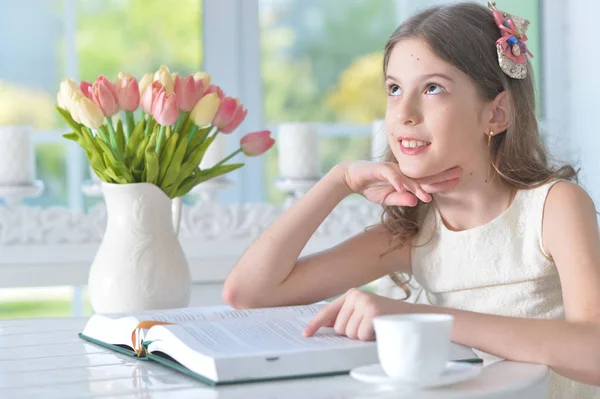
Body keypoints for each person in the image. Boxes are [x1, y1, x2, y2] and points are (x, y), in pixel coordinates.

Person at [223, 2, 600, 397]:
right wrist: (338, 181)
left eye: (433, 88)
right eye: (394, 88)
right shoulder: (413, 233)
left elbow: (593, 352)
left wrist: (417, 317)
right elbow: (249, 293)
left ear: (497, 113)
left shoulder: (554, 208)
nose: (404, 112)